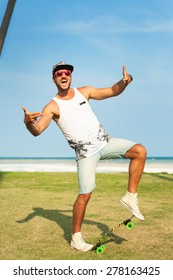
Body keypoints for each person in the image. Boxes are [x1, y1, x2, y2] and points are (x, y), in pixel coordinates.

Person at [22, 61, 147, 252]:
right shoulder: (52, 106)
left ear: (70, 76)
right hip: (85, 154)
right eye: (59, 74)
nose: (63, 76)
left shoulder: (85, 91)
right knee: (85, 195)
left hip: (104, 143)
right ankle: (76, 238)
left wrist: (125, 81)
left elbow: (113, 91)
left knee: (139, 151)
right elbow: (37, 130)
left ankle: (130, 197)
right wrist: (28, 123)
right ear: (54, 79)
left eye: (66, 73)